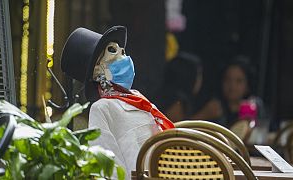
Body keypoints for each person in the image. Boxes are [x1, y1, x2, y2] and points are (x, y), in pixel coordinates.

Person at [60, 26, 174, 178]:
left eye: (123, 51)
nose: (123, 56)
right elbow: (109, 168)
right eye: (112, 50)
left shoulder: (137, 99)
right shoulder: (102, 108)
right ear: (97, 70)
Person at [192, 56, 265, 128]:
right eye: (227, 79)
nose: (232, 86)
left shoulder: (254, 106)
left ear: (247, 85)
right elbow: (186, 130)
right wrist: (204, 114)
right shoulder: (213, 106)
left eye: (239, 81)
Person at [154, 52, 203, 122]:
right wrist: (204, 114)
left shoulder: (164, 94)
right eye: (199, 74)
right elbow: (178, 130)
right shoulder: (176, 102)